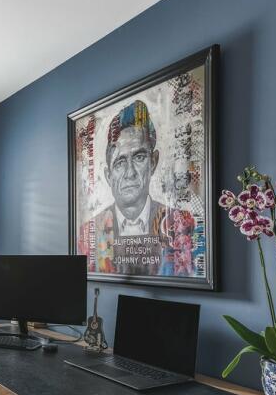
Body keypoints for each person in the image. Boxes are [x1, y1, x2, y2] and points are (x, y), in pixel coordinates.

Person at [79, 99, 196, 276]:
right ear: (108, 175)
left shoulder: (182, 224)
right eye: (119, 162)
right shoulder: (88, 233)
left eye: (139, 157)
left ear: (153, 162)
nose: (130, 173)